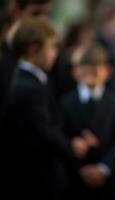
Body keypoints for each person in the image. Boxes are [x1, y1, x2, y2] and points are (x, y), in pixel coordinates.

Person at [4, 17, 73, 200]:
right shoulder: (28, 86)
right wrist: (71, 147)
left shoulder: (34, 79)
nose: (55, 53)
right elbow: (43, 131)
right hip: (37, 178)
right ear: (34, 49)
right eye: (51, 47)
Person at [60, 45, 115, 200]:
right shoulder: (65, 103)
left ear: (107, 72)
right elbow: (61, 137)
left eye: (95, 71)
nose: (90, 75)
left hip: (108, 182)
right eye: (85, 71)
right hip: (75, 181)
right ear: (75, 73)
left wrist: (103, 168)